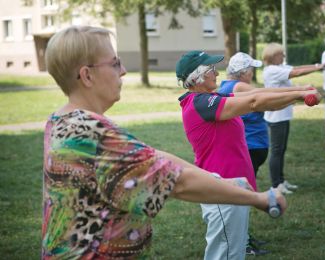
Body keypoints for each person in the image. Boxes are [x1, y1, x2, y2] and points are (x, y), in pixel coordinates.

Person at [42, 25, 287, 259]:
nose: (124, 70)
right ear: (87, 75)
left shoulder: (61, 121)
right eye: (115, 62)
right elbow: (178, 183)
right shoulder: (91, 134)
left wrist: (218, 179)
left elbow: (153, 157)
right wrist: (259, 198)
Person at [176, 50, 321, 259]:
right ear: (196, 77)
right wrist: (298, 95)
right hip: (221, 189)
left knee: (234, 253)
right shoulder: (200, 103)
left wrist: (300, 90)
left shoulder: (211, 98)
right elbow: (254, 103)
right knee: (224, 255)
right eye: (211, 70)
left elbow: (257, 95)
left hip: (233, 187)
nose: (217, 73)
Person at [262, 43, 325, 194]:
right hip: (276, 117)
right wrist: (318, 68)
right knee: (277, 151)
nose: (283, 56)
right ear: (272, 56)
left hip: (282, 115)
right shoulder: (272, 70)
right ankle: (276, 185)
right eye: (281, 54)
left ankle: (281, 181)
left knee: (281, 150)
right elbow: (297, 72)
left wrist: (317, 65)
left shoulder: (279, 67)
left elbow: (297, 67)